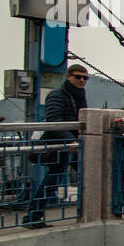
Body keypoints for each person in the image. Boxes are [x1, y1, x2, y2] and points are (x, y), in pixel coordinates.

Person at [26, 64, 89, 227]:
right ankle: (32, 216)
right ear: (68, 77)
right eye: (78, 77)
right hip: (60, 146)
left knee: (89, 175)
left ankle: (91, 211)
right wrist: (70, 140)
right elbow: (54, 121)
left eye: (85, 78)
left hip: (73, 146)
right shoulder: (57, 95)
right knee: (52, 180)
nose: (82, 80)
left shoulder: (79, 96)